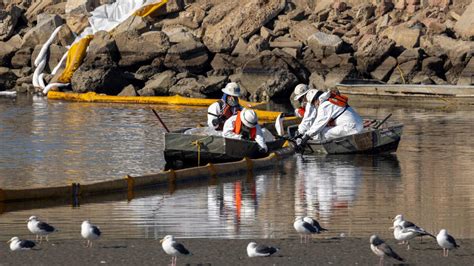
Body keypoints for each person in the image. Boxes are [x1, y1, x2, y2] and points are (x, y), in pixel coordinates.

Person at [295, 89, 363, 151]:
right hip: (359, 125)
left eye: (313, 103)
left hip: (351, 128)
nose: (315, 105)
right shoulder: (331, 99)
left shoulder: (324, 105)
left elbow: (318, 125)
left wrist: (306, 137)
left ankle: (334, 147)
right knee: (323, 129)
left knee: (320, 133)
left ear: (315, 100)